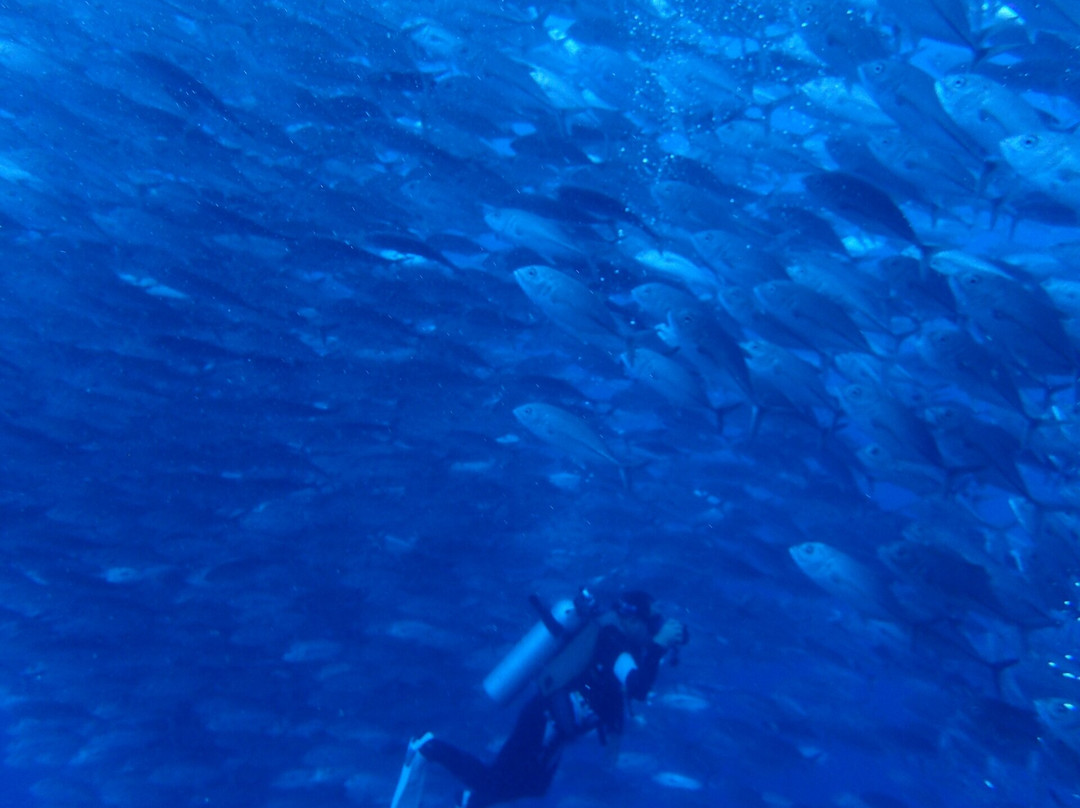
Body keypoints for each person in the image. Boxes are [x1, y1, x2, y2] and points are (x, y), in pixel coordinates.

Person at [407, 591, 689, 808]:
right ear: (630, 619)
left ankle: (468, 801)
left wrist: (658, 646)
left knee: (530, 786)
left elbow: (629, 687)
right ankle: (431, 748)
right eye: (649, 624)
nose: (652, 631)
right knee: (498, 781)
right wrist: (658, 644)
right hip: (544, 720)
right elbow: (637, 686)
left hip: (554, 727)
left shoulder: (624, 645)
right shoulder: (614, 643)